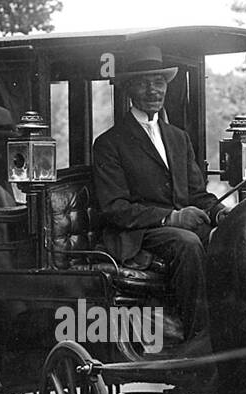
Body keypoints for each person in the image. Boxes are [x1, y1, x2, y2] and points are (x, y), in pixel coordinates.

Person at [91, 44, 224, 348]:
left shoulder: (178, 137)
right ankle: (198, 342)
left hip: (175, 229)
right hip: (136, 235)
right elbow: (115, 209)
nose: (154, 90)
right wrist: (171, 217)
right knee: (188, 244)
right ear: (129, 89)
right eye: (144, 82)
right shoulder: (110, 144)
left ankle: (234, 331)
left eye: (159, 82)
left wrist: (220, 213)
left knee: (228, 236)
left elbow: (196, 193)